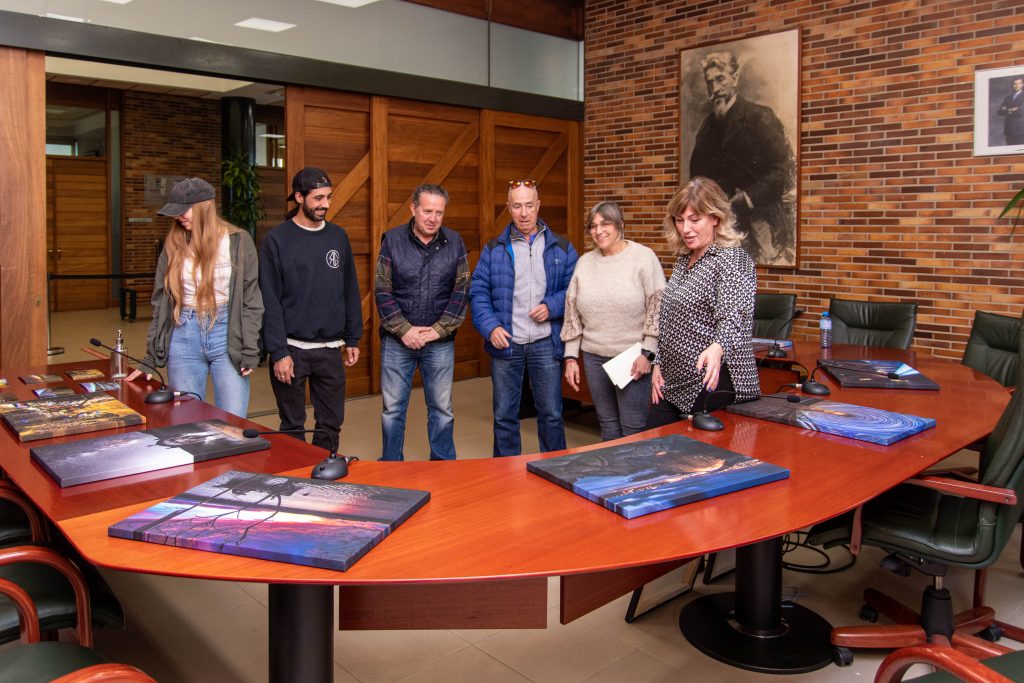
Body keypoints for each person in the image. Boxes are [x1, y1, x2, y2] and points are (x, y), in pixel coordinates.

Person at [131, 177, 263, 418]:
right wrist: (151, 355)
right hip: (183, 333)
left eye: (184, 210)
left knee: (232, 423)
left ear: (205, 207)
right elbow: (160, 302)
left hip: (226, 334)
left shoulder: (238, 240)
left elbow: (251, 300)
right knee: (185, 423)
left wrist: (250, 349)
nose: (178, 217)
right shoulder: (173, 243)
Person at [470, 179, 578, 456]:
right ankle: (506, 475)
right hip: (507, 342)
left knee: (551, 413)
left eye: (529, 205)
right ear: (508, 208)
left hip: (545, 342)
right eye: (517, 206)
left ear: (538, 206)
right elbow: (478, 291)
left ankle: (556, 467)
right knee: (505, 416)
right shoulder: (493, 249)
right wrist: (490, 326)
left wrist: (552, 306)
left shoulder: (562, 248)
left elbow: (576, 289)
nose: (524, 212)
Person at [259, 167, 362, 453]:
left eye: (328, 197)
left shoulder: (338, 237)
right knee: (292, 424)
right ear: (299, 197)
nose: (325, 204)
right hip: (291, 350)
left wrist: (352, 337)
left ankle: (323, 475)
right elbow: (270, 301)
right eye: (318, 198)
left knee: (330, 423)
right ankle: (295, 479)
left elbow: (349, 289)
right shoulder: (276, 241)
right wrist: (278, 352)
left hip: (330, 348)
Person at [646, 177, 760, 429]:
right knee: (653, 453)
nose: (685, 228)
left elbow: (733, 313)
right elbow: (669, 320)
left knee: (701, 464)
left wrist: (718, 346)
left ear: (715, 218)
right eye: (679, 219)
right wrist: (658, 364)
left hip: (712, 382)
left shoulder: (732, 259)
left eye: (694, 219)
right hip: (672, 382)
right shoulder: (683, 260)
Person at [374, 184, 469, 461]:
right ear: (413, 209)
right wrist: (405, 330)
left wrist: (436, 332)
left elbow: (461, 291)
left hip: (439, 342)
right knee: (392, 410)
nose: (433, 218)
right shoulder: (392, 240)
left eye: (439, 212)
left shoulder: (455, 242)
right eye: (427, 211)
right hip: (396, 341)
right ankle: (391, 465)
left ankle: (443, 466)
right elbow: (382, 290)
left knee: (441, 409)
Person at [561, 201, 665, 440]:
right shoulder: (585, 262)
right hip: (594, 357)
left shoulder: (643, 257)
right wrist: (570, 357)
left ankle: (637, 477)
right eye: (593, 226)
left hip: (632, 358)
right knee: (607, 425)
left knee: (633, 428)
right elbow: (572, 312)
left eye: (605, 223)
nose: (598, 231)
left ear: (620, 225)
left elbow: (658, 307)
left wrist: (648, 352)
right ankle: (615, 477)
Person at [689, 50, 796, 266]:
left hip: (761, 218)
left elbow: (785, 170)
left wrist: (748, 196)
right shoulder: (707, 127)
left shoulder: (760, 117)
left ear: (735, 79)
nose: (715, 89)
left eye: (720, 79)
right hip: (722, 224)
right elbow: (696, 178)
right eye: (710, 83)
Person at [998, 76, 1024, 146]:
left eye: (1018, 83)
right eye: (1014, 84)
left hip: (1021, 129)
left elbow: (1021, 110)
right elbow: (1000, 112)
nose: (1016, 86)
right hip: (1009, 129)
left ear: (1022, 84)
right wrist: (1011, 109)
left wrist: (1007, 109)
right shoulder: (1008, 98)